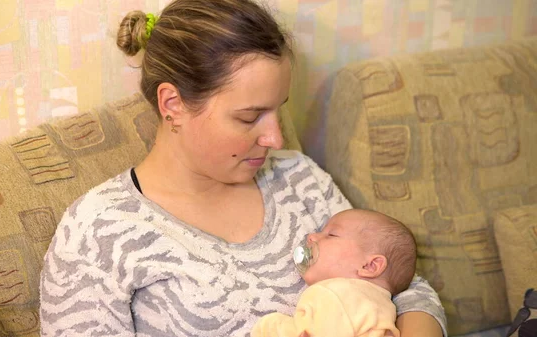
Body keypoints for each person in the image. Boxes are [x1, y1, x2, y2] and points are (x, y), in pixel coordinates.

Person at [39, 0, 447, 336]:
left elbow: (403, 287)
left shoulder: (298, 178)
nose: (276, 139)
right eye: (250, 117)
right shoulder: (98, 231)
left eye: (277, 111)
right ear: (173, 105)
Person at [251, 209, 417, 337]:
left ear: (370, 266)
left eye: (331, 234)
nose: (311, 236)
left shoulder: (334, 293)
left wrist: (269, 326)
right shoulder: (383, 306)